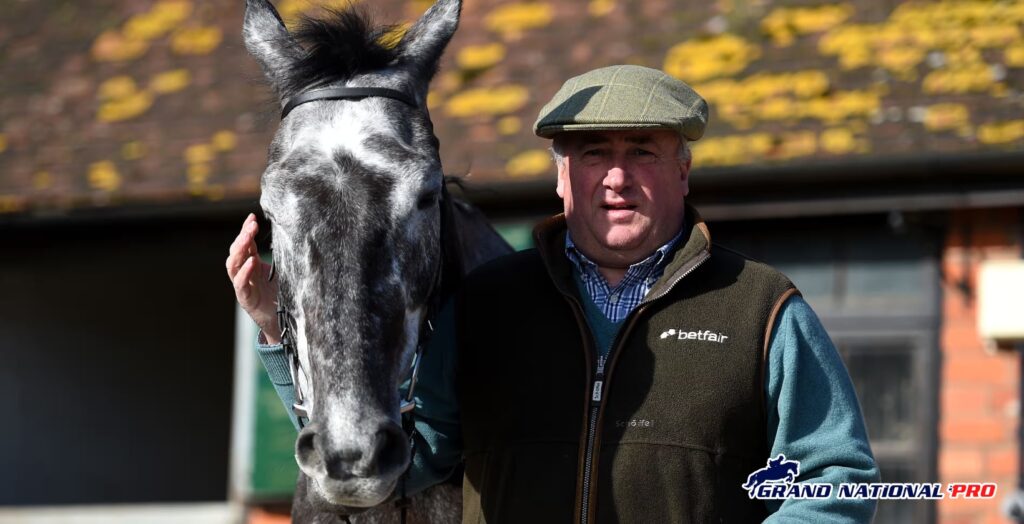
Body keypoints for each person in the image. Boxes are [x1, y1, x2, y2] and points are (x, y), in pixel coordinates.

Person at [228, 64, 879, 522]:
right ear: (561, 178)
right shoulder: (487, 305)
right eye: (595, 154)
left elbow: (836, 478)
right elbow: (395, 461)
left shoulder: (760, 308)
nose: (618, 177)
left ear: (683, 171)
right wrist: (279, 335)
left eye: (643, 151)